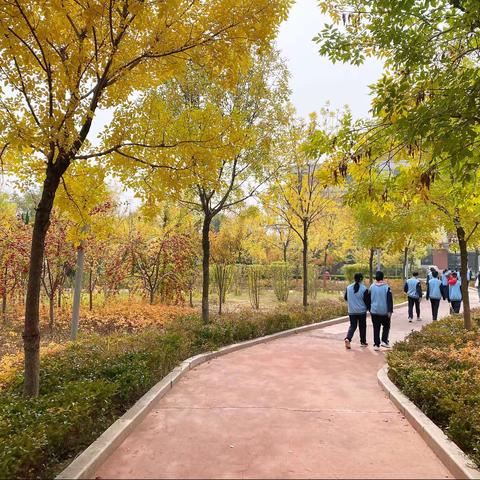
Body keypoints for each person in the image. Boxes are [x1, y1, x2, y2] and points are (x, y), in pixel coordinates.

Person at [369, 271, 394, 351]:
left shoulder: (372, 286)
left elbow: (368, 298)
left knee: (376, 327)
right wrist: (390, 311)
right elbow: (389, 300)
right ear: (383, 277)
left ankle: (376, 344)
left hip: (374, 311)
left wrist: (370, 308)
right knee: (386, 326)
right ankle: (384, 340)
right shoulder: (386, 287)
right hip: (384, 311)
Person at [344, 273, 370, 349]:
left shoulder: (348, 288)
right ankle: (363, 342)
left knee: (353, 326)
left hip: (351, 311)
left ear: (354, 278)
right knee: (362, 326)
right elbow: (367, 301)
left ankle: (348, 338)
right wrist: (369, 309)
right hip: (361, 311)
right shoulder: (364, 289)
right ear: (361, 279)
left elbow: (346, 298)